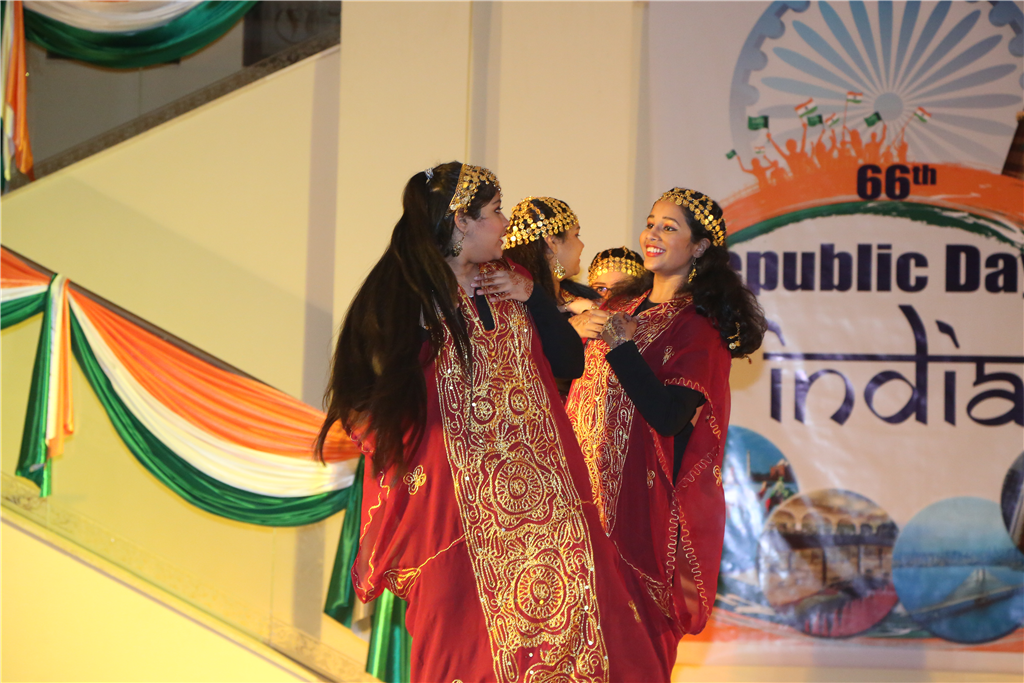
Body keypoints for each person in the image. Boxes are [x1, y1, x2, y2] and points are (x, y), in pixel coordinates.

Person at [317, 163, 672, 683]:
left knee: (579, 620)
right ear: (462, 221)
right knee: (466, 643)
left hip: (546, 498)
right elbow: (365, 399)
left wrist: (534, 299)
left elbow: (568, 363)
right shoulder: (408, 297)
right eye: (495, 211)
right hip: (458, 503)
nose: (506, 223)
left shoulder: (511, 282)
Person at [566, 187, 766, 644]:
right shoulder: (618, 305)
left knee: (628, 643)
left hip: (637, 506)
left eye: (668, 228)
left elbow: (669, 416)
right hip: (579, 496)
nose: (652, 235)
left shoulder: (699, 327)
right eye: (651, 223)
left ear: (698, 247)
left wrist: (621, 345)